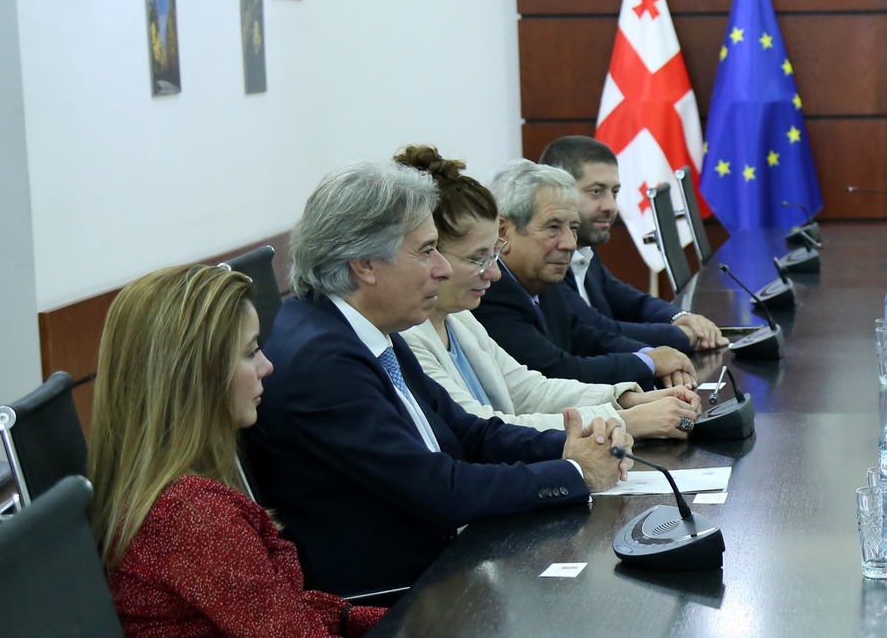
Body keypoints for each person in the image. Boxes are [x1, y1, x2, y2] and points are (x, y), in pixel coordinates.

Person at [247, 161, 629, 595]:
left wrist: (575, 445)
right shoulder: (322, 361)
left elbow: (470, 433)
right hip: (399, 598)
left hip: (447, 563)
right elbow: (440, 490)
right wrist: (574, 471)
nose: (443, 268)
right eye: (427, 251)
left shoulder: (363, 328)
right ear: (365, 264)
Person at [90, 263, 387, 638]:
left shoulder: (170, 494)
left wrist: (385, 627)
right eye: (251, 353)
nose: (268, 366)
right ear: (196, 375)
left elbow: (280, 615)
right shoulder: (191, 515)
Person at [393, 146, 702, 438]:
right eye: (478, 259)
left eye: (493, 255)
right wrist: (626, 420)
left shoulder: (461, 319)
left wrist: (626, 400)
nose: (494, 272)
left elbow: (529, 390)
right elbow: (482, 431)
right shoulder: (407, 338)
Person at [475, 160, 700, 389]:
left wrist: (653, 354)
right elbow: (558, 372)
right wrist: (649, 363)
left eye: (573, 228)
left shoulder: (540, 279)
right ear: (502, 232)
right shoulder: (489, 291)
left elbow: (585, 336)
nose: (570, 244)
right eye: (553, 227)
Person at [540, 134, 727, 351]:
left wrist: (679, 316)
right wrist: (685, 336)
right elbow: (597, 331)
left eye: (615, 192)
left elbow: (632, 302)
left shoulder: (584, 249)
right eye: (596, 192)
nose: (611, 206)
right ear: (557, 191)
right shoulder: (546, 260)